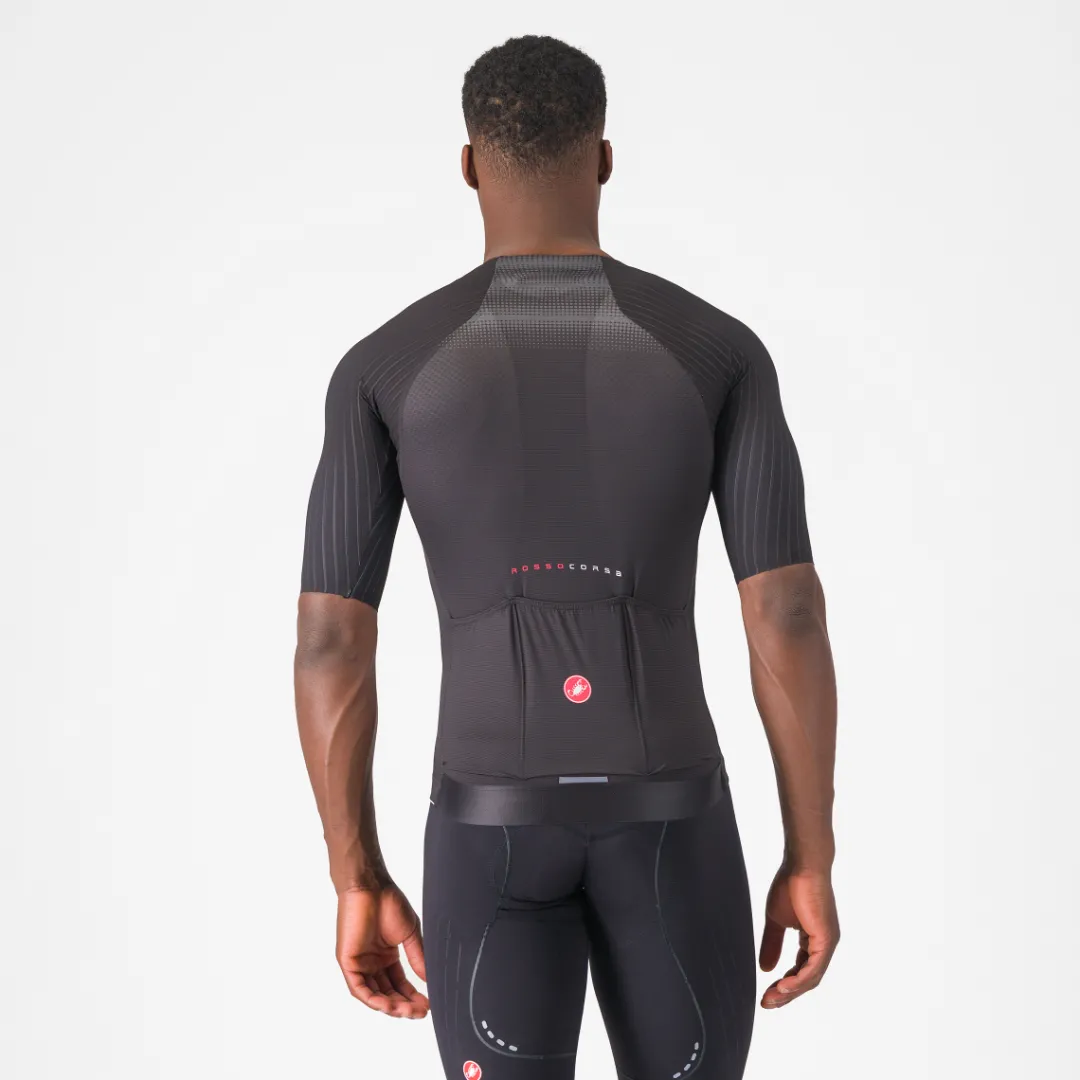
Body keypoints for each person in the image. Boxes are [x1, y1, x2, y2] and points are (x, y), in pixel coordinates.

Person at [294, 34, 838, 1080]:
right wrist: (809, 854)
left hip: (485, 819)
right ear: (604, 159)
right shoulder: (716, 350)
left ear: (468, 165)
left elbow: (329, 642)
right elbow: (788, 614)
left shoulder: (385, 366)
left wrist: (354, 875)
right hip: (672, 813)